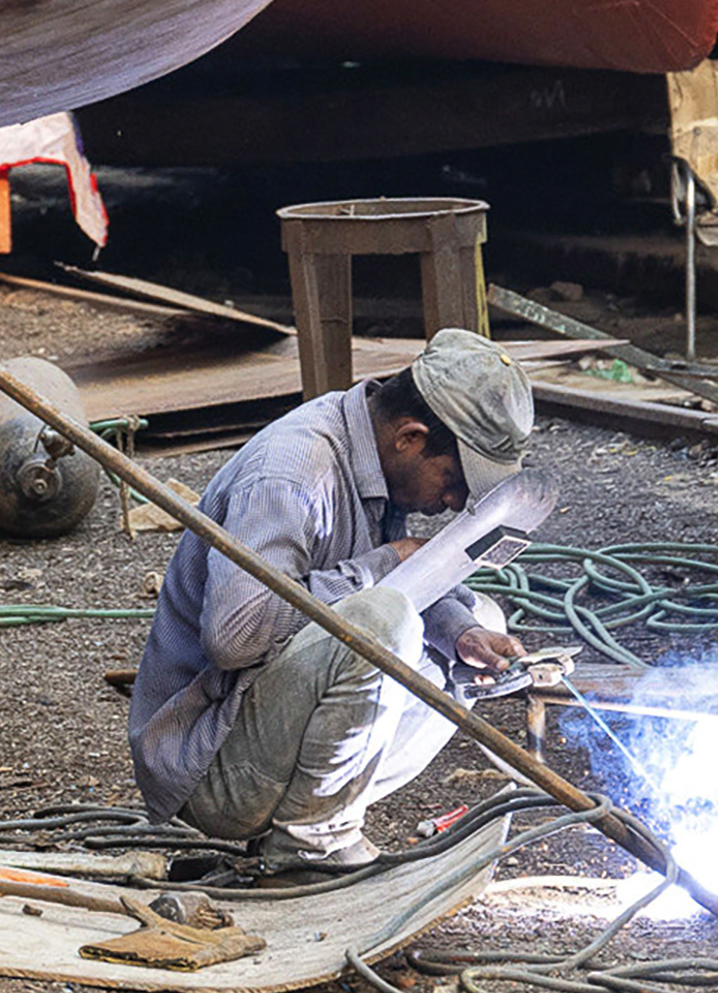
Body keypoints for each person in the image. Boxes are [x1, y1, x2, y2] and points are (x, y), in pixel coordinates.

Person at [128, 328, 535, 875]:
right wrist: (383, 564)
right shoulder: (291, 473)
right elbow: (235, 638)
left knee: (477, 616)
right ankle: (309, 847)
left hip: (267, 735)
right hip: (209, 763)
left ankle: (320, 817)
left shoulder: (373, 448)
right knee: (382, 620)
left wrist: (462, 634)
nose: (454, 500)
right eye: (455, 479)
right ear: (410, 438)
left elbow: (405, 585)